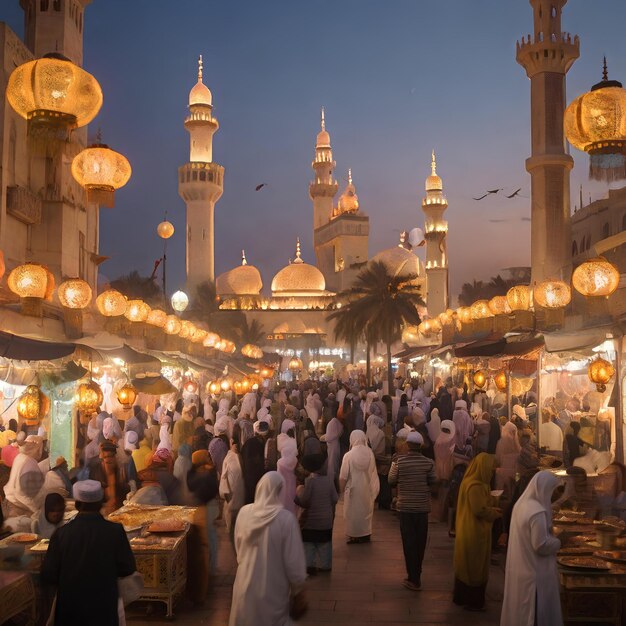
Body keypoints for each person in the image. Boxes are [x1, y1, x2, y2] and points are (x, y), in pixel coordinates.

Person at [41, 479, 136, 626]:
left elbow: (49, 575)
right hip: (104, 609)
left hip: (70, 610)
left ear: (77, 504)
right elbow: (127, 568)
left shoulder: (61, 534)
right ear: (100, 503)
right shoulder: (115, 531)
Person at [229, 472, 307, 626]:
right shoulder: (286, 520)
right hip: (273, 587)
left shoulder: (244, 513)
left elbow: (239, 549)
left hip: (246, 582)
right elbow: (293, 562)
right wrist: (299, 591)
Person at [500, 471, 562, 626]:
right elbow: (540, 545)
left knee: (519, 612)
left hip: (521, 569)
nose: (554, 496)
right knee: (532, 614)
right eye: (552, 491)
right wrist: (559, 542)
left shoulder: (522, 505)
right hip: (534, 575)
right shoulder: (537, 512)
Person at [388, 431, 436, 591]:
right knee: (420, 543)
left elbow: (391, 480)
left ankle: (413, 578)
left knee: (409, 543)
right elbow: (433, 481)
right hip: (422, 508)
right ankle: (417, 575)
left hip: (406, 508)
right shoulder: (428, 463)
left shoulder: (399, 461)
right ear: (420, 446)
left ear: (408, 445)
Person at [453, 453, 501, 611]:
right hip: (474, 531)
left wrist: (493, 501)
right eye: (491, 469)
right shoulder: (476, 486)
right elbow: (479, 509)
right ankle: (472, 600)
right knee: (474, 566)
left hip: (467, 528)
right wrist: (494, 513)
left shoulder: (472, 482)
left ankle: (462, 597)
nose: (493, 472)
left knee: (466, 564)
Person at [295, 454, 338, 574]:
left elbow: (305, 500)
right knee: (325, 544)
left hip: (311, 522)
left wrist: (298, 493)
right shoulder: (329, 481)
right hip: (326, 521)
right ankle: (326, 565)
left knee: (309, 544)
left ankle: (309, 565)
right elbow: (334, 498)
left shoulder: (310, 481)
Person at [339, 430, 379, 544]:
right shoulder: (370, 453)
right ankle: (365, 534)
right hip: (366, 489)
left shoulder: (348, 456)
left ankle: (354, 535)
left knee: (353, 512)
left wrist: (341, 491)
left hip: (352, 489)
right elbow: (372, 473)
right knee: (365, 511)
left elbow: (343, 477)